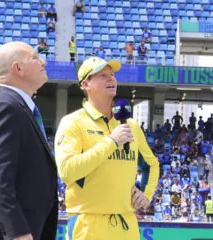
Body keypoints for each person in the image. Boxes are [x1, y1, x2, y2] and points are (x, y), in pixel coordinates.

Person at [55, 56, 159, 240]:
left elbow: (151, 164)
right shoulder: (73, 122)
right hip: (88, 223)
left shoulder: (131, 126)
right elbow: (67, 171)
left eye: (112, 75)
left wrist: (146, 194)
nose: (111, 79)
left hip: (127, 223)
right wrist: (111, 142)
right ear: (85, 84)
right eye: (102, 76)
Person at [0, 42, 58, 240]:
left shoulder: (18, 107)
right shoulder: (3, 107)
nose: (42, 61)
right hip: (3, 232)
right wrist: (16, 231)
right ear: (17, 68)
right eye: (34, 58)